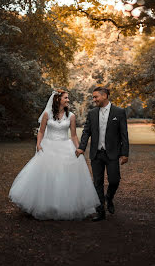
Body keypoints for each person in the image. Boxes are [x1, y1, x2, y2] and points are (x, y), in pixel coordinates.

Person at [9, 90, 100, 220]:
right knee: (47, 176)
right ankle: (46, 206)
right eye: (66, 98)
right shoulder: (47, 114)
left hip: (65, 147)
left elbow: (73, 135)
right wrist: (38, 144)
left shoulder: (71, 116)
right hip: (48, 147)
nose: (68, 100)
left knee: (64, 177)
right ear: (58, 99)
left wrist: (79, 149)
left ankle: (62, 206)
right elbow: (41, 131)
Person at [75, 87, 129, 221]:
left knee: (114, 180)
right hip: (96, 154)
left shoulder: (119, 112)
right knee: (97, 182)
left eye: (95, 97)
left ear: (104, 96)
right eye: (93, 97)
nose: (94, 100)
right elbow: (86, 131)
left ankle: (109, 198)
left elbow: (124, 134)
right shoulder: (92, 113)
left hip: (112, 154)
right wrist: (82, 147)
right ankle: (100, 212)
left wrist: (124, 153)